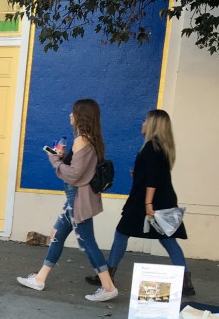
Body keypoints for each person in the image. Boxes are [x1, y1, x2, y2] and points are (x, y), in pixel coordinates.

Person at [16, 99, 120, 302]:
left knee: (88, 242)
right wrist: (62, 156)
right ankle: (40, 278)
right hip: (76, 197)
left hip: (77, 198)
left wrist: (54, 160)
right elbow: (79, 169)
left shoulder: (82, 140)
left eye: (72, 113)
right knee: (57, 235)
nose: (69, 116)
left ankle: (108, 287)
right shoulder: (92, 139)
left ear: (80, 116)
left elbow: (74, 175)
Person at [88, 109, 193, 296]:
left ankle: (108, 275)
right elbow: (155, 174)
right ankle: (185, 283)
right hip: (162, 199)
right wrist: (138, 175)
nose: (142, 123)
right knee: (168, 240)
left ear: (153, 124)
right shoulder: (161, 147)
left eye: (145, 120)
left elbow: (152, 179)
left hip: (146, 202)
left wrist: (148, 204)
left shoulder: (152, 147)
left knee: (122, 233)